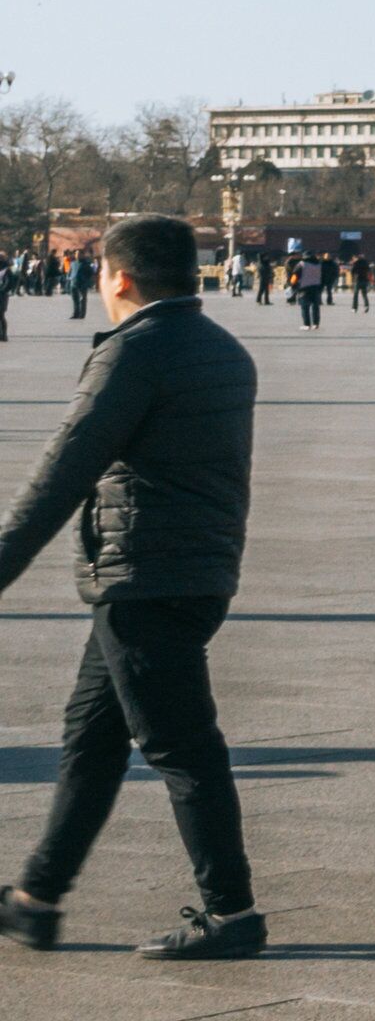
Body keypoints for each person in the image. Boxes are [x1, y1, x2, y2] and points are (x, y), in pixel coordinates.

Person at [0, 217, 267, 961]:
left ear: (118, 277)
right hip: (192, 569)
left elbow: (63, 469)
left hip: (143, 575)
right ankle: (35, 899)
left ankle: (232, 912)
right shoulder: (223, 347)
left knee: (182, 747)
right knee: (91, 737)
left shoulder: (134, 353)